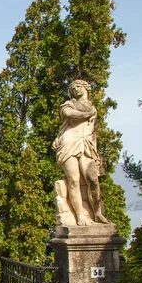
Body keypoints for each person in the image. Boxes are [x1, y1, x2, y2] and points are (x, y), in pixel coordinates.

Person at [52, 80, 109, 226]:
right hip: (69, 143)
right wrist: (89, 112)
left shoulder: (91, 106)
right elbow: (69, 114)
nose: (76, 89)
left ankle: (97, 213)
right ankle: (80, 216)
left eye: (78, 86)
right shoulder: (69, 104)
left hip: (86, 144)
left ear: (86, 88)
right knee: (74, 179)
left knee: (92, 179)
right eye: (73, 88)